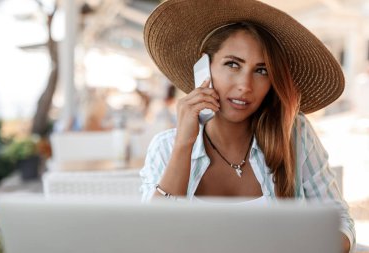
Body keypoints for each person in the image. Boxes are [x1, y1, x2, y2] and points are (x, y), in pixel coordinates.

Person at [139, 0, 355, 252]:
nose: (245, 85)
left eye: (261, 70)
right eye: (233, 64)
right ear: (204, 68)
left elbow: (339, 221)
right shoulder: (166, 147)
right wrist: (184, 145)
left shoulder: (292, 133)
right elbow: (150, 238)